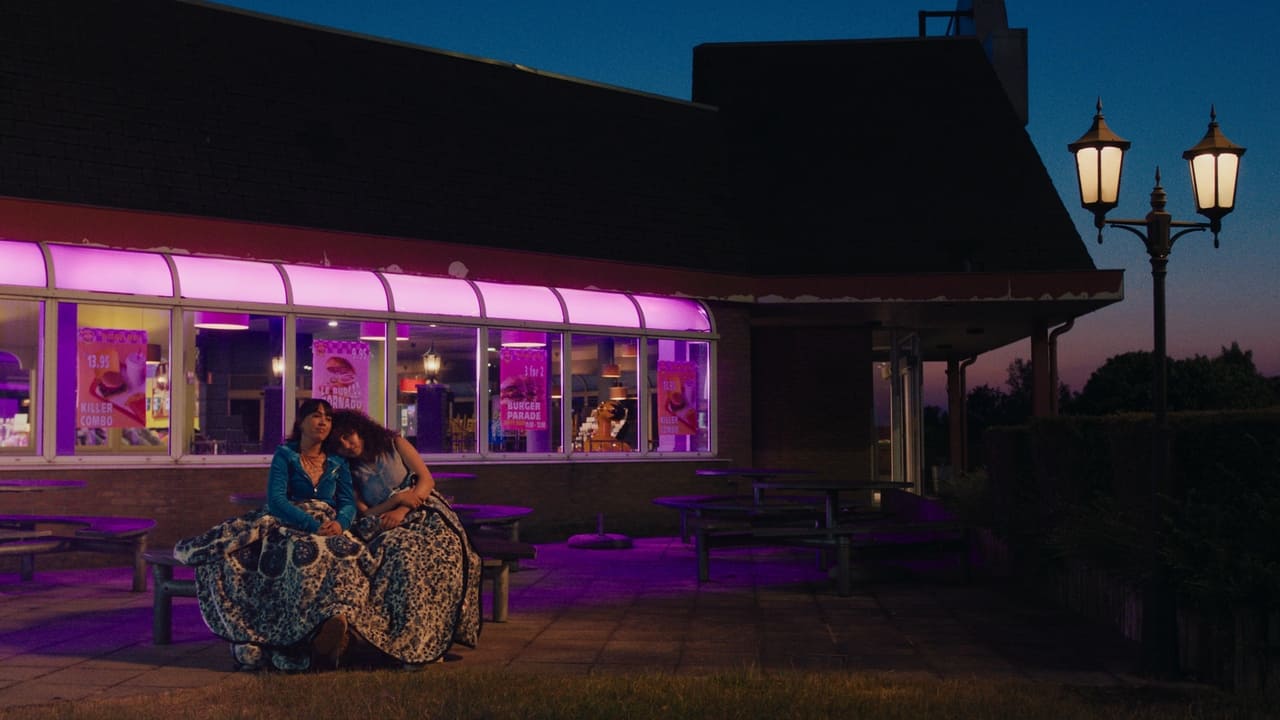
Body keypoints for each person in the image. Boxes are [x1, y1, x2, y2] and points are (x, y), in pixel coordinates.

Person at [175, 399, 367, 672]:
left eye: (328, 417)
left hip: (329, 523)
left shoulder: (338, 461)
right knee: (293, 554)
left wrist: (340, 523)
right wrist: (310, 525)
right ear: (301, 422)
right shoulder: (285, 455)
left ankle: (333, 625)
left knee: (346, 554)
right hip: (290, 521)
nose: (323, 422)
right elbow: (277, 500)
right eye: (316, 416)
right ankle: (293, 637)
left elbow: (347, 502)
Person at [326, 409, 482, 668]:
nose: (347, 445)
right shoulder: (349, 470)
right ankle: (405, 638)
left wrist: (403, 509)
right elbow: (363, 511)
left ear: (359, 429)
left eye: (348, 436)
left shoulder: (394, 443)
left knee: (442, 555)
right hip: (384, 521)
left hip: (425, 511)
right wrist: (395, 501)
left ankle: (437, 635)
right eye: (339, 444)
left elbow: (426, 480)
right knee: (399, 557)